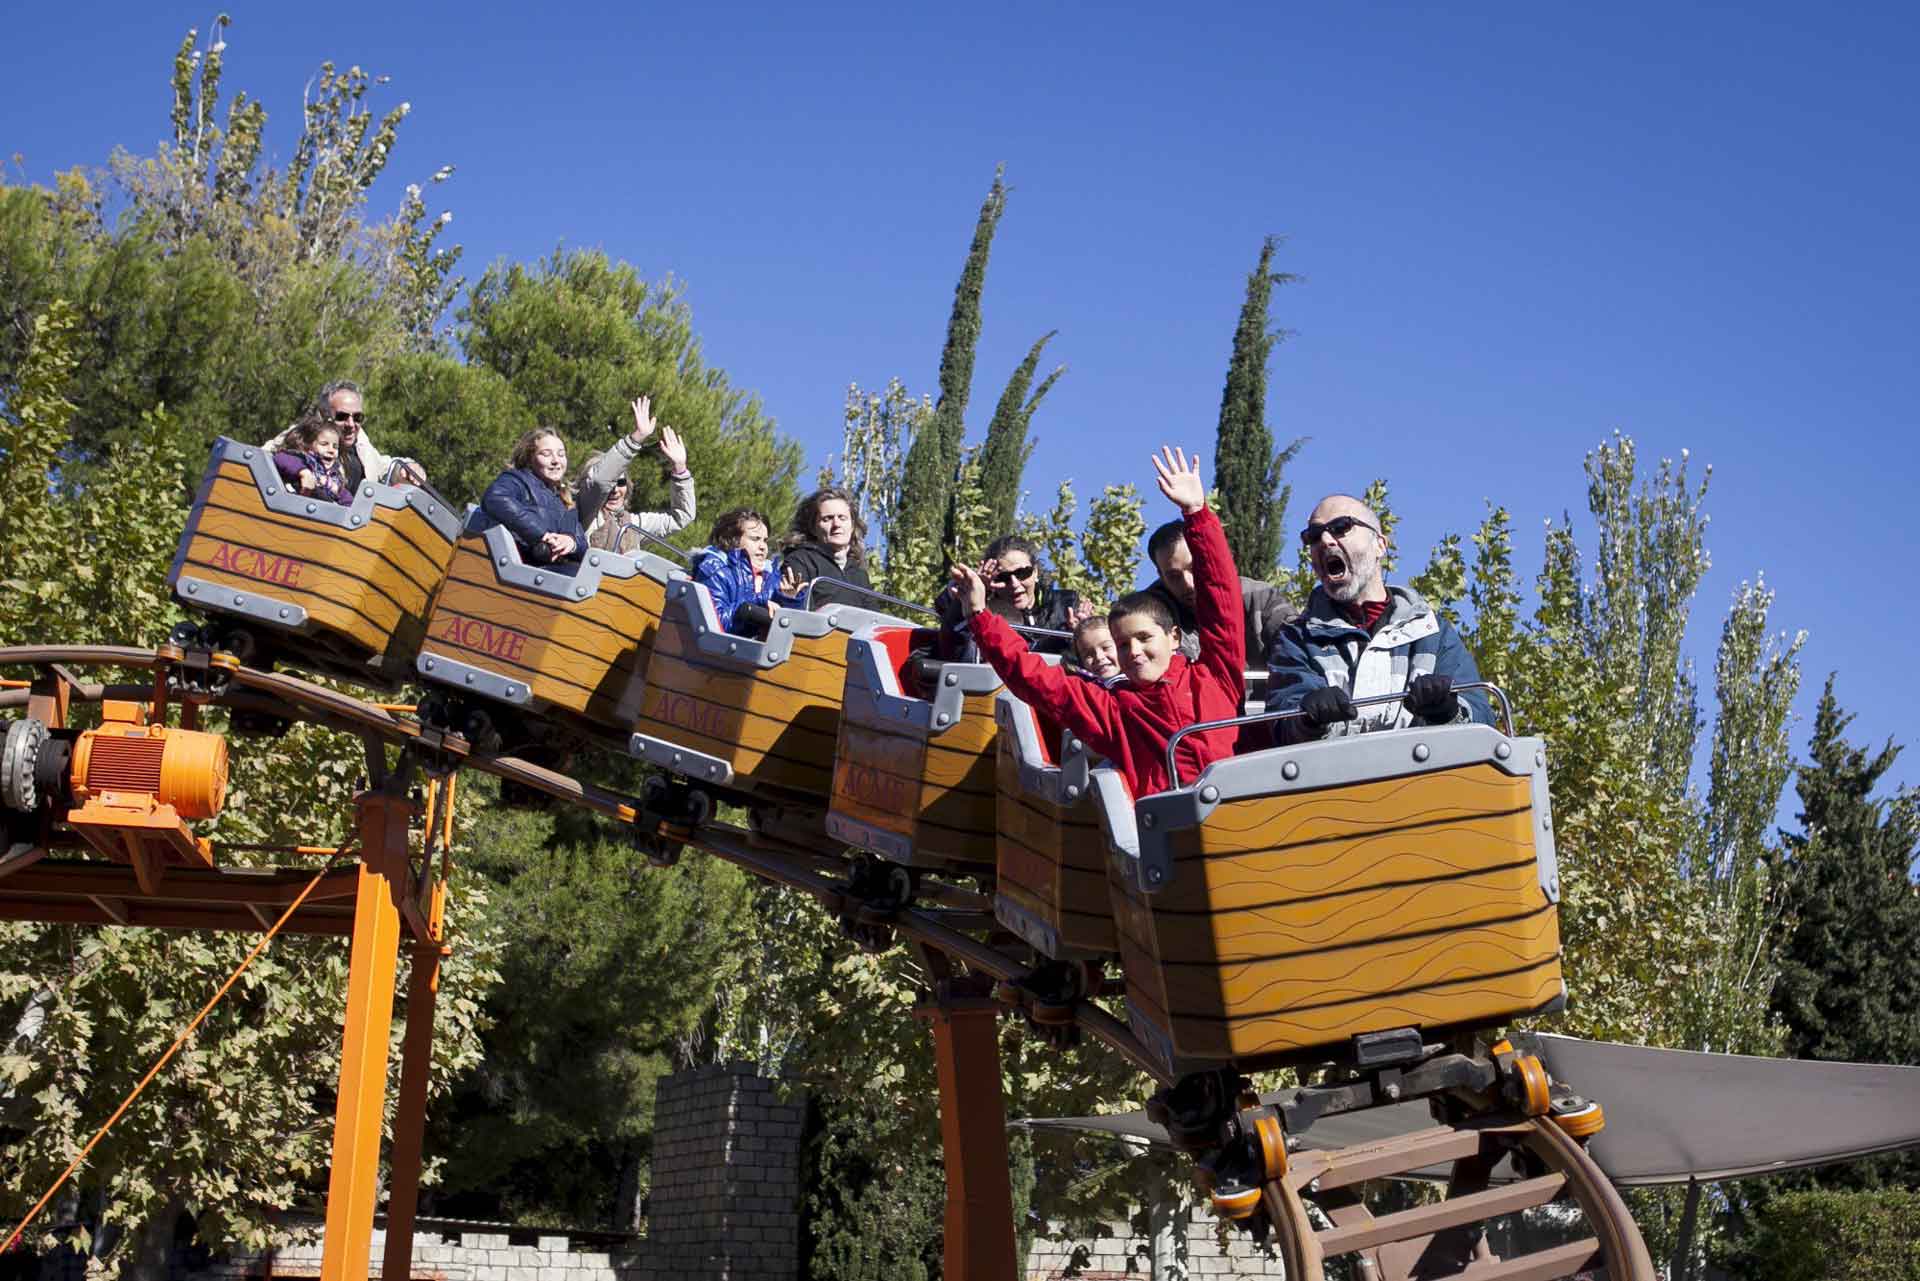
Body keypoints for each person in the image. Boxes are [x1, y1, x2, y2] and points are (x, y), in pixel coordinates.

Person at [953, 447, 1243, 799]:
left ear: (1174, 637)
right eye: (1122, 644)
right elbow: (1032, 677)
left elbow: (1221, 598)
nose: (1133, 651)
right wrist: (980, 616)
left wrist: (1197, 514)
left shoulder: (1214, 677)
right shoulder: (1114, 710)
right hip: (1172, 831)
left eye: (1143, 638)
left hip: (1236, 810)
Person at [1265, 493, 1493, 744]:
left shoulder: (1433, 633)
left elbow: (1480, 721)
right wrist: (1307, 721)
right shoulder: (1297, 638)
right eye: (1314, 536)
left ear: (1380, 545)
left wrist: (1448, 711)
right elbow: (1281, 725)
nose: (1325, 540)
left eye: (1341, 527)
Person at [476, 402, 665, 571]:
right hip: (518, 572)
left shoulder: (565, 500)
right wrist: (542, 535)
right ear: (529, 457)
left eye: (560, 454)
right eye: (546, 454)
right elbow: (496, 498)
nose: (555, 461)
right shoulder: (518, 480)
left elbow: (581, 543)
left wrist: (571, 543)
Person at [1146, 519, 1300, 667]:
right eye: (1174, 577)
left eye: (1195, 568)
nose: (1188, 583)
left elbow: (1300, 651)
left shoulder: (1260, 598)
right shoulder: (1149, 616)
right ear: (1161, 576)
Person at [932, 534, 1093, 661]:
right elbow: (951, 645)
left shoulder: (1065, 606)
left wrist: (1078, 637)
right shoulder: (983, 608)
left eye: (1023, 573)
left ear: (1036, 572)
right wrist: (972, 595)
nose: (1015, 584)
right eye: (1004, 578)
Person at [582, 397, 697, 554]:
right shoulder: (585, 513)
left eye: (621, 482)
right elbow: (600, 480)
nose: (615, 490)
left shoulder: (634, 524)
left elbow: (681, 518)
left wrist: (680, 469)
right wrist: (636, 438)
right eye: (611, 483)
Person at [264, 380, 426, 490]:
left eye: (357, 417)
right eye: (342, 417)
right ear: (323, 415)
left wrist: (409, 468)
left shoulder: (362, 446)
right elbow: (262, 457)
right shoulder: (303, 436)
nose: (351, 424)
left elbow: (386, 467)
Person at [689, 507, 804, 635]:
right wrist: (757, 602)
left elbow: (790, 632)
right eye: (755, 539)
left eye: (765, 540)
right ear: (733, 540)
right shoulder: (715, 569)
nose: (763, 546)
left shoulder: (772, 576)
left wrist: (789, 599)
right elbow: (715, 624)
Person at [780, 487, 872, 605]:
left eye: (842, 518)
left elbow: (874, 619)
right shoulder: (800, 561)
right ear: (813, 528)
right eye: (827, 519)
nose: (836, 524)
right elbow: (799, 613)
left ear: (852, 526)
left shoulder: (859, 575)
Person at [271, 413, 353, 506]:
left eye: (335, 447)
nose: (331, 450)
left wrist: (342, 498)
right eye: (324, 444)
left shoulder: (334, 477)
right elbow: (280, 458)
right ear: (308, 445)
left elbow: (347, 499)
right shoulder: (303, 460)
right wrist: (304, 472)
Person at [1069, 615, 1123, 684]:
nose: (1099, 657)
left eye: (1106, 648)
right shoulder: (1081, 687)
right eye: (1088, 654)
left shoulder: (1137, 683)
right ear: (1081, 661)